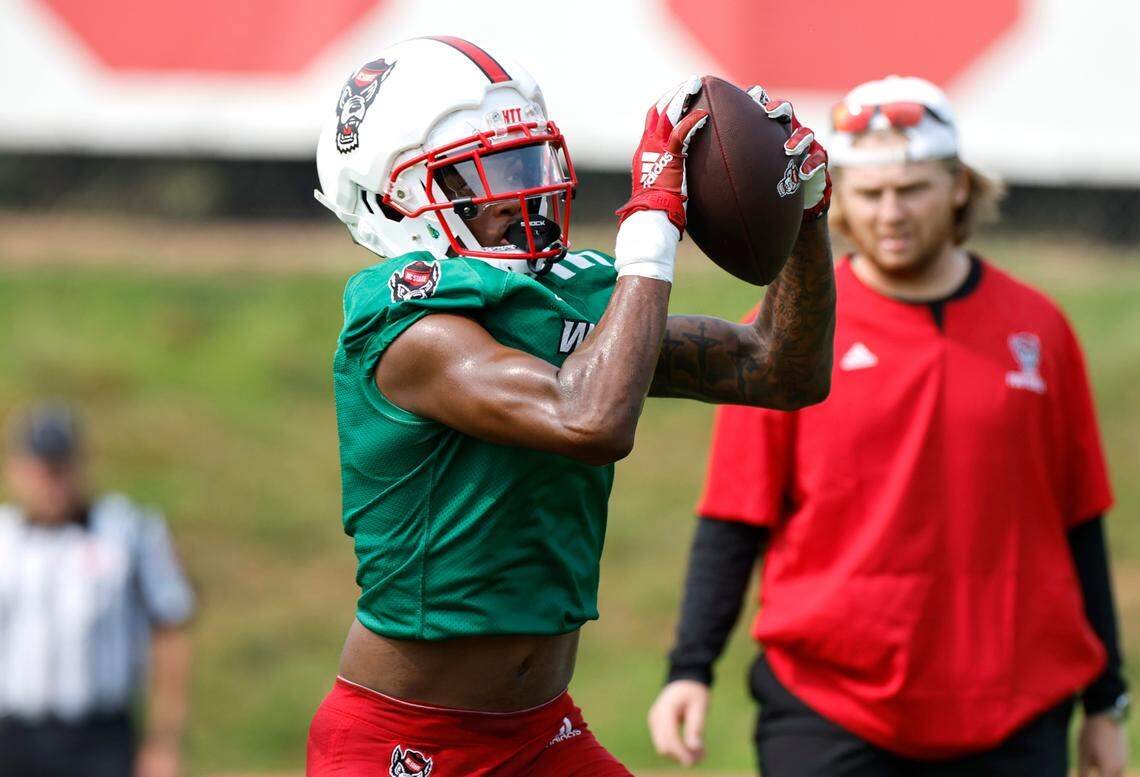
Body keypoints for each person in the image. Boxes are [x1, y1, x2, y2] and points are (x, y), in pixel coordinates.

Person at [306, 36, 836, 776]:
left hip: (540, 730)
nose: (521, 191)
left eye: (526, 162)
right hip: (407, 740)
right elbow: (589, 419)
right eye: (482, 173)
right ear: (395, 200)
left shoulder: (561, 297)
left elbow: (780, 370)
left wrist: (805, 218)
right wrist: (651, 225)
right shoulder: (410, 332)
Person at [648, 75, 1129, 777]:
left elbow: (1081, 522)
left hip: (1016, 709)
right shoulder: (787, 336)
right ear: (839, 196)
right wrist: (690, 667)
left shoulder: (1040, 329)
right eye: (870, 193)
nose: (891, 212)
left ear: (959, 186)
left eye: (913, 189)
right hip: (829, 711)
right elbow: (734, 515)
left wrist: (1107, 700)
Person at [0, 403, 196, 777]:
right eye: (41, 469)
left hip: (99, 738)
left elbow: (170, 632)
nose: (50, 481)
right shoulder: (4, 539)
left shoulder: (127, 531)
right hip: (14, 735)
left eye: (60, 468)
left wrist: (164, 740)